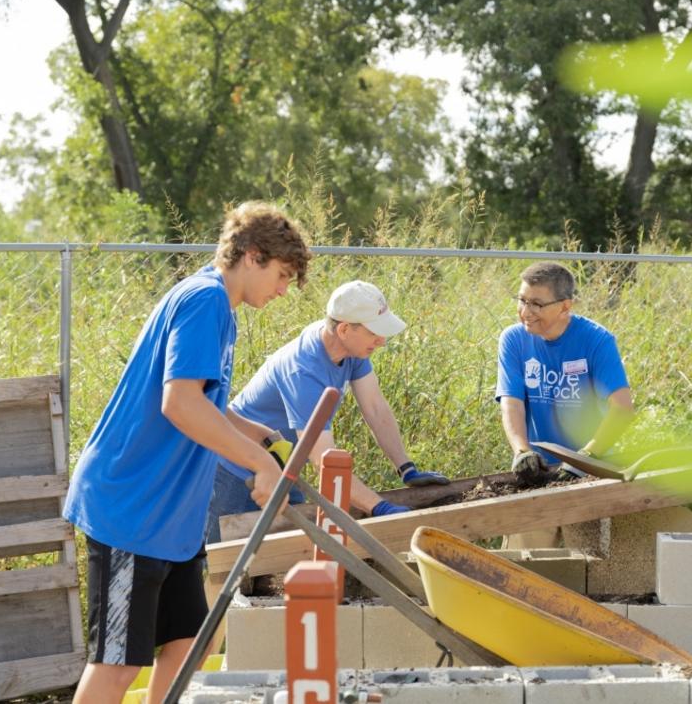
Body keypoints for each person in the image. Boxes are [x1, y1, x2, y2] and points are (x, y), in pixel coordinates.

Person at [63, 202, 311, 703]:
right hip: (131, 506)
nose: (283, 290)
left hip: (169, 517)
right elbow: (179, 404)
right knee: (118, 662)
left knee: (192, 642)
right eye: (282, 276)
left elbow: (208, 404)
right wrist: (257, 462)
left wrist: (265, 438)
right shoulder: (205, 301)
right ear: (252, 255)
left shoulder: (218, 308)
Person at [205, 280, 449, 545]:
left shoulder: (348, 349)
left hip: (281, 469)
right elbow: (323, 460)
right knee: (223, 564)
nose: (382, 341)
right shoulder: (304, 371)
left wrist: (406, 468)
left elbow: (375, 407)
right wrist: (380, 507)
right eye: (374, 333)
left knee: (280, 562)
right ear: (344, 329)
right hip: (235, 471)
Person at [496, 261, 635, 485]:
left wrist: (585, 459)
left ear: (565, 306)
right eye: (522, 300)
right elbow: (512, 403)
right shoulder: (513, 339)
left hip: (594, 463)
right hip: (542, 467)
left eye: (537, 304)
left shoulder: (597, 340)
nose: (526, 312)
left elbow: (623, 409)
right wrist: (522, 452)